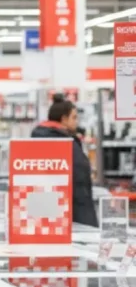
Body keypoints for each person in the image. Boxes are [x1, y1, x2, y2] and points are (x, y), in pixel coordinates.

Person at [32, 96, 98, 227]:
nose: (76, 122)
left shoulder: (43, 139)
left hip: (49, 213)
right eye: (74, 117)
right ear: (63, 119)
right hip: (73, 216)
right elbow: (78, 182)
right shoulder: (63, 143)